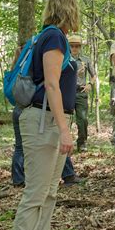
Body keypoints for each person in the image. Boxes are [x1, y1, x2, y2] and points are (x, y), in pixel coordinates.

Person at [7, 0, 80, 230]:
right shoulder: (53, 37)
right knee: (36, 194)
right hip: (42, 121)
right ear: (68, 8)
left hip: (50, 119)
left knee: (49, 193)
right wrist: (64, 129)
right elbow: (51, 83)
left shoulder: (53, 37)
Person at [10, 46, 82, 188]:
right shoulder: (38, 69)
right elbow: (51, 86)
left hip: (20, 110)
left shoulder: (19, 70)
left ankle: (18, 179)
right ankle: (67, 175)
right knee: (54, 146)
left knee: (20, 147)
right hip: (33, 111)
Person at [68, 35, 97, 152]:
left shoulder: (86, 59)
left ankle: (82, 143)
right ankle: (65, 143)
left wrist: (90, 84)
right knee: (66, 119)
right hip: (67, 92)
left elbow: (94, 75)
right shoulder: (65, 60)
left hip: (81, 92)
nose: (75, 48)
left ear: (80, 47)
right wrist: (75, 73)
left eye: (77, 46)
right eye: (72, 46)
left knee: (83, 119)